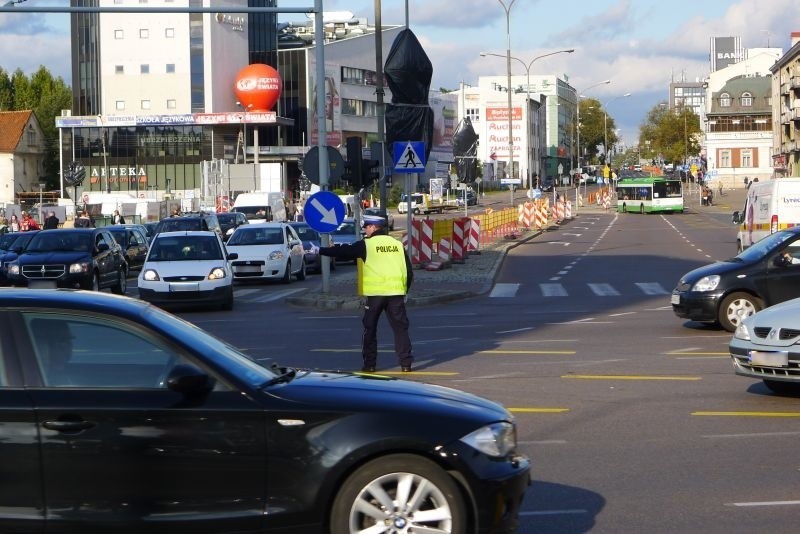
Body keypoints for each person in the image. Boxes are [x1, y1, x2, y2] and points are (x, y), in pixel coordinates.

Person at [318, 215, 414, 373]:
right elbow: (408, 271)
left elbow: (344, 251)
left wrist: (321, 250)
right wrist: (405, 290)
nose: (365, 230)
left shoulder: (367, 245)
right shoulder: (397, 244)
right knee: (400, 329)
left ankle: (370, 364)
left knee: (370, 329)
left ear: (374, 227)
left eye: (366, 227)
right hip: (396, 293)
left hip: (375, 295)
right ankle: (406, 364)